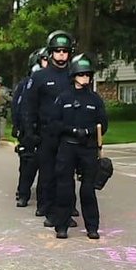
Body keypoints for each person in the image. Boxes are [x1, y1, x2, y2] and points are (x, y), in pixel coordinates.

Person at [49, 53, 108, 239]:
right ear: (74, 76)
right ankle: (62, 226)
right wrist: (72, 131)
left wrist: (88, 132)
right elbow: (54, 123)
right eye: (82, 75)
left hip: (88, 148)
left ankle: (92, 227)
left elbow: (103, 124)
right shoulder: (63, 98)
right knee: (64, 189)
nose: (85, 78)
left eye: (88, 75)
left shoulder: (95, 100)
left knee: (88, 189)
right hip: (68, 146)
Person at [22, 29, 75, 225]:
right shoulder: (40, 77)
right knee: (48, 174)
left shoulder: (74, 76)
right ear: (51, 52)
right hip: (46, 133)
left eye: (65, 51)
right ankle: (46, 207)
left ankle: (65, 212)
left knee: (66, 175)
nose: (61, 54)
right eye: (58, 51)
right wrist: (29, 133)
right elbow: (29, 107)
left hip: (69, 134)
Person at [13, 48, 46, 209]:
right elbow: (18, 106)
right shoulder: (27, 84)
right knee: (28, 163)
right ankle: (23, 193)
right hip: (29, 128)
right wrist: (19, 127)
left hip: (46, 128)